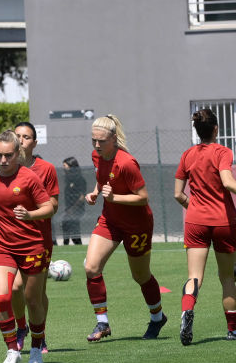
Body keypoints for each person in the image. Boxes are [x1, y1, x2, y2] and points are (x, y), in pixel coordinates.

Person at [83, 114, 167, 342]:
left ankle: (158, 317)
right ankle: (103, 323)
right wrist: (95, 192)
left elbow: (143, 198)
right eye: (93, 141)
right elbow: (102, 180)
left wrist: (115, 197)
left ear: (113, 138)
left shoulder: (127, 163)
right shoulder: (96, 156)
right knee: (91, 267)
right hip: (110, 221)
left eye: (101, 141)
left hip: (137, 225)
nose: (97, 145)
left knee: (140, 276)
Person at [0, 131, 54, 363]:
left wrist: (30, 214)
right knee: (3, 297)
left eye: (8, 155)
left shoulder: (29, 177)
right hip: (1, 245)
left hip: (32, 245)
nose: (3, 160)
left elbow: (49, 207)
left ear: (17, 153)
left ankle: (36, 348)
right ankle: (12, 349)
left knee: (33, 301)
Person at [174, 109, 236, 345]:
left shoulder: (187, 155)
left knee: (194, 276)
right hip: (223, 221)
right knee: (227, 277)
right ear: (216, 129)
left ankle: (187, 312)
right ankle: (232, 330)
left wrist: (195, 206)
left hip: (195, 221)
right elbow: (227, 182)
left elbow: (178, 194)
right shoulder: (223, 151)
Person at [10, 122, 59, 354]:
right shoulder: (4, 167)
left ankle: (40, 335)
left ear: (34, 143)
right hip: (10, 239)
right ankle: (22, 327)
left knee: (37, 293)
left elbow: (54, 205)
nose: (21, 140)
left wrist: (31, 213)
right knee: (14, 287)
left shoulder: (46, 169)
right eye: (17, 135)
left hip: (38, 238)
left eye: (26, 137)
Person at [60, 156, 87, 245]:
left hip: (77, 209)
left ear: (71, 166)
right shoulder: (67, 179)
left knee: (74, 229)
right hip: (69, 209)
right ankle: (66, 243)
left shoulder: (80, 179)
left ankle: (77, 243)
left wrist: (73, 209)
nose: (63, 167)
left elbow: (82, 197)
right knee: (65, 224)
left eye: (65, 165)